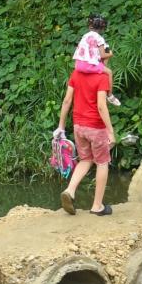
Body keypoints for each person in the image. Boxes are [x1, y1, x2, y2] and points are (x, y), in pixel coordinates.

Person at [56, 63, 115, 216]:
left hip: (79, 126)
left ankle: (70, 190)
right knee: (102, 163)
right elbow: (102, 106)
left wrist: (61, 126)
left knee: (85, 159)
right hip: (96, 127)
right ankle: (97, 206)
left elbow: (67, 101)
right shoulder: (101, 77)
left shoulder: (77, 73)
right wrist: (110, 131)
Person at [72, 14, 119, 106]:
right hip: (89, 66)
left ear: (90, 26)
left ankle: (100, 69)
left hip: (78, 65)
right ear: (102, 28)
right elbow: (102, 54)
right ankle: (110, 95)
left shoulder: (85, 36)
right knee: (109, 72)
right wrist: (110, 54)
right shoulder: (99, 38)